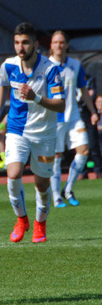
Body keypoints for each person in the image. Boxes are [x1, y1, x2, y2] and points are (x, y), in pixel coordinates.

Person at [0, 22, 65, 244]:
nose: (20, 47)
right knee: (13, 174)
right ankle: (22, 220)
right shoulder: (9, 65)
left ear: (35, 44)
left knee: (42, 184)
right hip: (17, 129)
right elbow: (2, 84)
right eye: (16, 42)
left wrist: (36, 98)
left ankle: (40, 224)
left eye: (24, 42)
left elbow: (61, 105)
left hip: (44, 134)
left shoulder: (50, 69)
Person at [48, 30, 98, 207]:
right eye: (55, 42)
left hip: (73, 115)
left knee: (84, 150)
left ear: (67, 45)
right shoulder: (46, 65)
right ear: (51, 45)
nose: (59, 45)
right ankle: (56, 196)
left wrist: (93, 111)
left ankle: (68, 189)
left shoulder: (75, 65)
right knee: (56, 157)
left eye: (62, 42)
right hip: (54, 117)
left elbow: (83, 90)